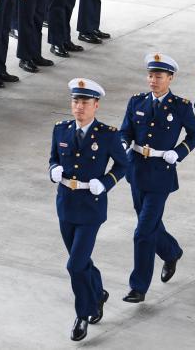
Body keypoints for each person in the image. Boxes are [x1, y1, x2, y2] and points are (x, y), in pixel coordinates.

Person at [47, 78, 128, 341]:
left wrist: (105, 183)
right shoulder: (61, 130)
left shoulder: (108, 134)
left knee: (75, 264)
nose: (79, 107)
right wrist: (53, 171)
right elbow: (53, 159)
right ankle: (99, 293)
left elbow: (122, 165)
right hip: (66, 205)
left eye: (84, 102)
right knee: (81, 263)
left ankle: (83, 313)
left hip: (91, 207)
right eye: (75, 101)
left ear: (96, 105)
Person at [119, 53, 195, 303]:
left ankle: (139, 287)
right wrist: (123, 143)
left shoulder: (180, 106)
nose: (153, 80)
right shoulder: (137, 102)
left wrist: (177, 153)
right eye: (150, 75)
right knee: (151, 224)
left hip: (161, 175)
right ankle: (171, 251)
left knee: (143, 231)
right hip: (136, 171)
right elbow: (126, 130)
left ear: (170, 78)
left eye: (158, 76)